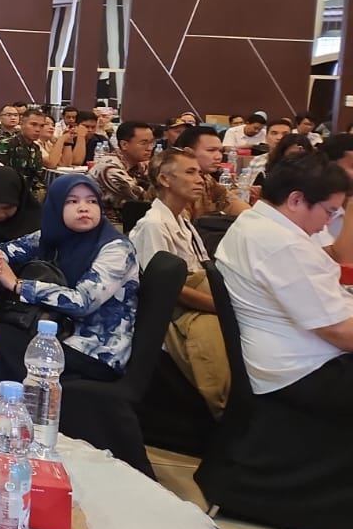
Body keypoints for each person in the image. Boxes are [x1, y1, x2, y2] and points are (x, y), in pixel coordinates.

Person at [214, 152, 353, 416]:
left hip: (286, 359)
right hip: (304, 370)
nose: (328, 222)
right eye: (329, 212)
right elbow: (339, 331)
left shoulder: (254, 221)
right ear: (296, 200)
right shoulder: (283, 244)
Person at [0, 174, 140, 385]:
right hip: (55, 332)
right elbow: (5, 249)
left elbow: (83, 302)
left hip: (94, 351)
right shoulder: (54, 234)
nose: (84, 208)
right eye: (72, 201)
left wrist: (19, 285)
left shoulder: (116, 249)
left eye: (92, 201)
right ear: (56, 207)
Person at [129, 149, 227, 417]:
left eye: (200, 173)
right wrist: (219, 306)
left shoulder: (183, 221)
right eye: (190, 172)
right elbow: (163, 288)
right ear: (165, 180)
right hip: (172, 313)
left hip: (198, 301)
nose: (200, 179)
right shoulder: (153, 224)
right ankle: (222, 407)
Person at [88, 119, 157, 229]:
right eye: (143, 143)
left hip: (130, 221)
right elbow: (144, 199)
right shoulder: (109, 168)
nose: (150, 148)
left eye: (152, 142)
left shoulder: (138, 164)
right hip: (105, 226)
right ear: (124, 145)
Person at [175, 124, 249, 218]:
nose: (219, 157)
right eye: (211, 150)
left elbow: (233, 204)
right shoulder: (175, 181)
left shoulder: (207, 178)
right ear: (188, 152)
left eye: (220, 151)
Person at [0, 105, 50, 201]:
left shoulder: (35, 148)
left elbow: (38, 178)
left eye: (41, 126)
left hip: (29, 195)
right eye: (33, 124)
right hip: (8, 194)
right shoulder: (6, 145)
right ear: (22, 123)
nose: (38, 129)